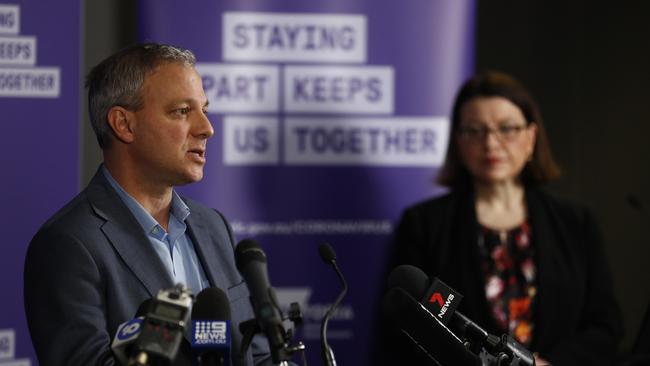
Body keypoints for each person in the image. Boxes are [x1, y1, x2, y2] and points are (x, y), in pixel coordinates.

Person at [24, 43, 274, 366]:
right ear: (124, 125)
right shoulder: (68, 245)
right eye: (183, 111)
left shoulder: (214, 226)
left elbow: (259, 355)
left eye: (205, 110)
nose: (207, 129)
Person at [390, 71, 622, 365]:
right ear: (457, 142)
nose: (491, 143)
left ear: (531, 138)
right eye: (474, 130)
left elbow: (605, 328)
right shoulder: (424, 224)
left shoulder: (576, 223)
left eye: (507, 128)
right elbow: (405, 329)